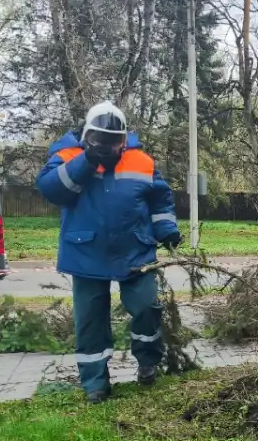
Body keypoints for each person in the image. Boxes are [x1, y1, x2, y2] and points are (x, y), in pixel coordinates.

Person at [36, 101, 182, 403]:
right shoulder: (67, 156)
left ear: (124, 139)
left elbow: (160, 200)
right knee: (90, 322)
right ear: (87, 136)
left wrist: (166, 229)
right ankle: (95, 383)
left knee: (146, 308)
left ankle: (148, 363)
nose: (107, 146)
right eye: (99, 140)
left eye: (113, 141)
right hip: (86, 251)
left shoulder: (141, 161)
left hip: (135, 250)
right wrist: (86, 161)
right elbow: (51, 189)